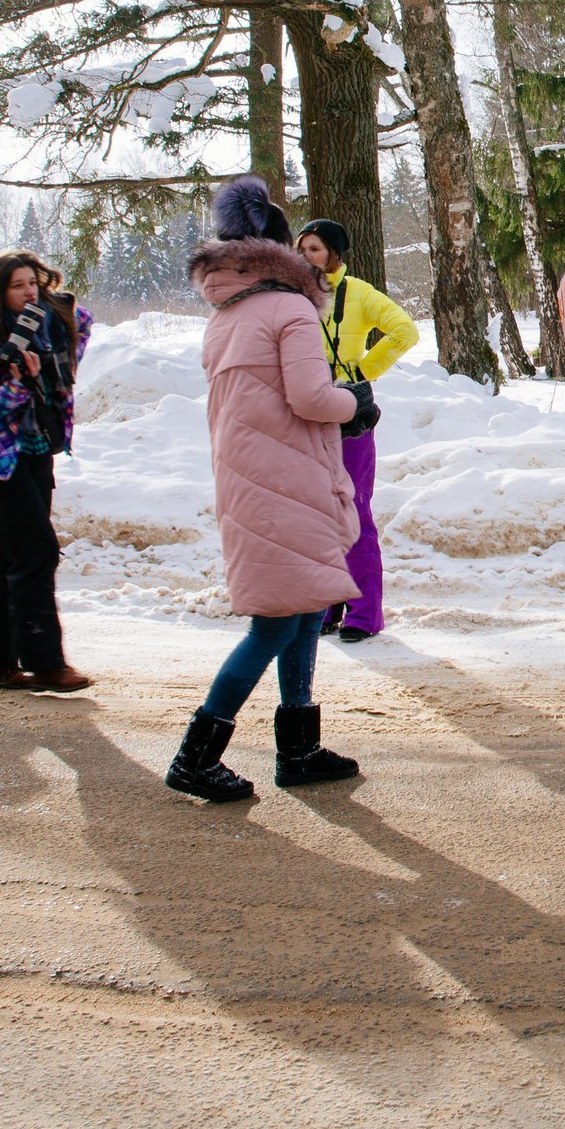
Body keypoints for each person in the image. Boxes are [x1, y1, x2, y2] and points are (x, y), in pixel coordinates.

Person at [165, 176, 378, 804]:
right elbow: (311, 397)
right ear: (283, 252)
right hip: (288, 478)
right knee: (276, 624)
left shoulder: (224, 317)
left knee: (307, 610)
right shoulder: (289, 308)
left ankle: (300, 749)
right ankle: (195, 756)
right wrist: (356, 406)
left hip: (253, 476)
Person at [0, 250, 95, 692]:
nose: (29, 292)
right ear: (0, 290)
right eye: (18, 285)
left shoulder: (49, 328)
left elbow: (82, 324)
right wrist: (17, 383)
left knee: (10, 557)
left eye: (34, 283)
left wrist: (55, 305)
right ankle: (45, 661)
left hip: (35, 452)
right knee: (36, 552)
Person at [293, 217, 418, 643]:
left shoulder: (360, 294)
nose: (306, 256)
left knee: (354, 511)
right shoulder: (293, 297)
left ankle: (365, 612)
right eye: (302, 248)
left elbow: (405, 330)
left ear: (335, 254)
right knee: (317, 514)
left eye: (315, 249)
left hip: (348, 415)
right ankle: (328, 604)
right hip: (305, 413)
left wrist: (363, 370)